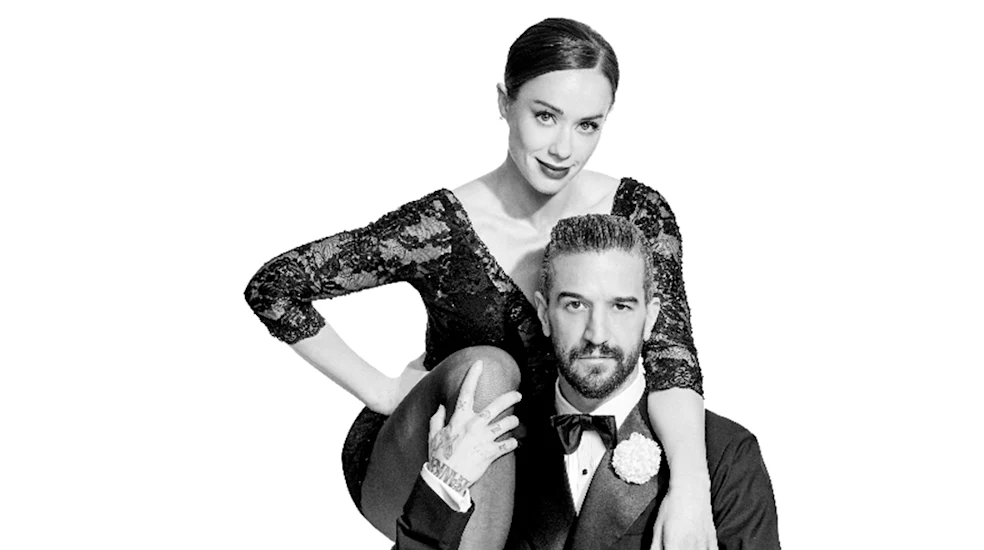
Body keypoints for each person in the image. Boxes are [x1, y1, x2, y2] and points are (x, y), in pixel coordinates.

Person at [244, 18, 716, 549]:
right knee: (490, 372)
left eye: (587, 125)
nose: (563, 148)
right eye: (545, 116)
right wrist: (381, 391)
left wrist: (692, 489)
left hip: (550, 468)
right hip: (433, 458)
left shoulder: (634, 215)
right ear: (504, 103)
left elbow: (672, 359)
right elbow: (274, 287)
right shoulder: (442, 228)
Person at [394, 214, 780, 550]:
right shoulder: (490, 443)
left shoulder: (723, 454)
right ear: (544, 314)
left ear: (650, 318)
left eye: (620, 306)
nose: (597, 334)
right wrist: (443, 484)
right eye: (575, 305)